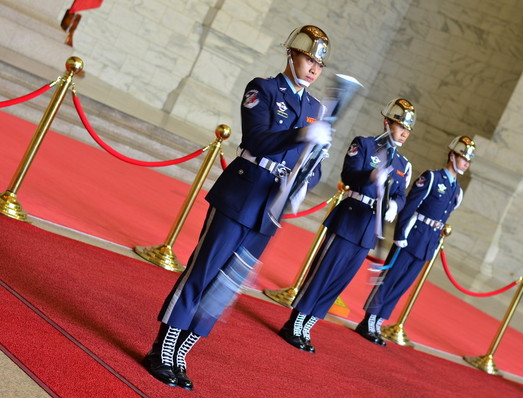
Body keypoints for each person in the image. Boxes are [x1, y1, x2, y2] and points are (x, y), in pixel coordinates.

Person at [142, 25, 332, 390]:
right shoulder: (263, 88)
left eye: (319, 64)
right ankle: (162, 349)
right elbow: (257, 139)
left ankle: (183, 352)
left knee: (225, 286)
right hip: (243, 193)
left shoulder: (316, 108)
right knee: (204, 272)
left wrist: (311, 167)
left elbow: (315, 164)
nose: (313, 68)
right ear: (291, 54)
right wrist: (302, 135)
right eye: (309, 58)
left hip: (271, 208)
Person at [278, 98, 416, 353]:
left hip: (367, 229)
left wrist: (395, 206)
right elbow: (349, 176)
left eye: (408, 129)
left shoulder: (403, 165)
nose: (404, 132)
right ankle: (294, 323)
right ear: (387, 122)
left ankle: (308, 326)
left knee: (338, 282)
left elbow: (400, 194)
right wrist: (371, 176)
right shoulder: (364, 144)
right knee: (323, 274)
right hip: (349, 218)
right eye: (400, 126)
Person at [356, 135, 476, 345]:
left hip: (428, 242)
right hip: (412, 236)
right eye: (463, 157)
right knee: (390, 279)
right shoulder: (431, 178)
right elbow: (410, 206)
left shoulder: (457, 191)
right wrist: (400, 235)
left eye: (468, 160)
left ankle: (379, 321)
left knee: (402, 285)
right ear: (452, 155)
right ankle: (369, 320)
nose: (466, 163)